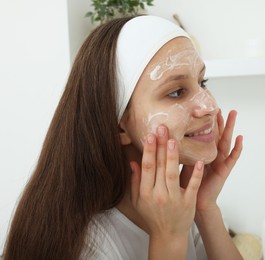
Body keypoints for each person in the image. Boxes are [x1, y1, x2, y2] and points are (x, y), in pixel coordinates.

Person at [3, 15, 243, 260]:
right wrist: (168, 238)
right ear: (119, 127)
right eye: (176, 92)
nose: (209, 105)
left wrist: (205, 208)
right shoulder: (88, 246)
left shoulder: (179, 209)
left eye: (202, 82)